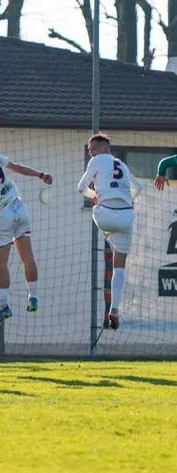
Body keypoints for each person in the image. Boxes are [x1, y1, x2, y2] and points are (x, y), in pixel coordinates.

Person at [0, 137, 53, 327]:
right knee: (27, 258)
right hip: (20, 208)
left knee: (0, 264)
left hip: (3, 215)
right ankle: (33, 297)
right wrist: (40, 174)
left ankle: (4, 307)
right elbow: (18, 168)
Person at [77, 133, 144, 330]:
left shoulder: (97, 161)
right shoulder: (122, 165)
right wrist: (125, 199)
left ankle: (109, 239)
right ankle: (114, 308)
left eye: (92, 149)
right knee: (119, 267)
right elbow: (138, 188)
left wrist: (94, 196)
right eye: (89, 151)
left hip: (104, 215)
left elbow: (81, 188)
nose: (91, 153)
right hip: (126, 217)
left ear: (103, 148)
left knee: (103, 222)